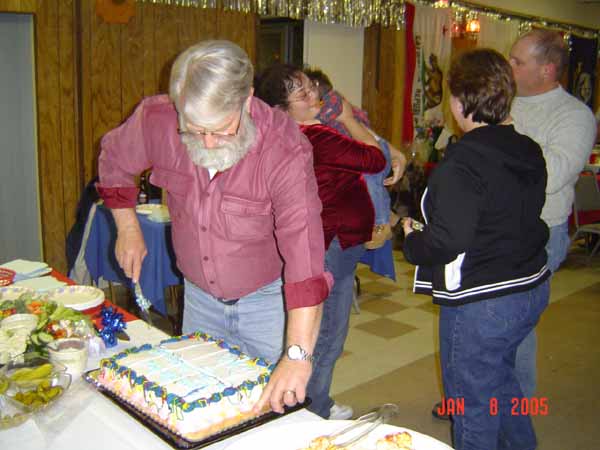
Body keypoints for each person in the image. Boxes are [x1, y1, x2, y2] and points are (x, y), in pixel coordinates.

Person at [96, 40, 333, 415]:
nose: (206, 143)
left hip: (268, 304)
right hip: (199, 299)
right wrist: (127, 227)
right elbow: (114, 160)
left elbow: (305, 257)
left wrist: (297, 354)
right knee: (202, 409)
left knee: (270, 413)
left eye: (221, 130)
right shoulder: (157, 119)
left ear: (247, 99)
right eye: (193, 129)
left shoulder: (283, 147)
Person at [402, 48, 550, 450]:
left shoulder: (463, 161)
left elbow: (448, 241)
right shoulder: (527, 148)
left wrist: (411, 240)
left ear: (458, 102)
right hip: (529, 286)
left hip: (484, 300)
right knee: (501, 381)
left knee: (471, 404)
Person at [255, 64, 386, 420]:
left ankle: (309, 402)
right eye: (302, 94)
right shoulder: (316, 137)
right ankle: (312, 409)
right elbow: (376, 159)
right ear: (282, 109)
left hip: (326, 241)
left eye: (311, 86)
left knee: (317, 329)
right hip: (332, 243)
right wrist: (348, 118)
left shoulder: (287, 135)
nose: (314, 95)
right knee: (327, 333)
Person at [509, 29, 597, 399]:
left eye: (517, 62)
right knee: (476, 322)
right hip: (491, 228)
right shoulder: (505, 103)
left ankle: (516, 413)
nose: (508, 66)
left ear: (546, 70)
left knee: (515, 327)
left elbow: (554, 174)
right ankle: (473, 398)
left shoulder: (574, 115)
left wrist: (501, 139)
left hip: (540, 234)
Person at [304, 68, 406, 249]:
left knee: (371, 181)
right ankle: (387, 219)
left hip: (375, 149)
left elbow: (330, 117)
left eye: (308, 91)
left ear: (317, 87)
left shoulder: (333, 100)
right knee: (370, 186)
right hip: (365, 152)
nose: (307, 100)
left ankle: (382, 224)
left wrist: (312, 120)